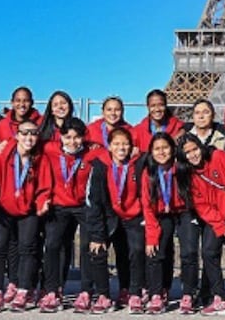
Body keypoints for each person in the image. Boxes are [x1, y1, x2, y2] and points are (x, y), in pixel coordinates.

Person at [176, 133, 225, 318]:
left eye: (195, 149)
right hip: (218, 216)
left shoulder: (219, 157)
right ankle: (220, 296)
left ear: (201, 146)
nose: (193, 155)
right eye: (187, 152)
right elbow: (202, 206)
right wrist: (221, 228)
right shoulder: (188, 174)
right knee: (209, 251)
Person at [0, 119, 44, 311]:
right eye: (24, 133)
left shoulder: (40, 158)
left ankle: (23, 290)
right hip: (3, 207)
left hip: (28, 209)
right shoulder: (3, 156)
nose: (29, 137)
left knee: (27, 248)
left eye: (33, 133)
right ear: (16, 135)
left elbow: (44, 187)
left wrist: (42, 203)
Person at [38, 118, 99, 312]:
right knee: (54, 245)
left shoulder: (93, 152)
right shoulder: (50, 149)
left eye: (77, 137)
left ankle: (86, 291)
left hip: (83, 206)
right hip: (59, 205)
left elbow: (116, 149)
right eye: (68, 137)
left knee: (87, 246)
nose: (72, 142)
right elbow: (25, 142)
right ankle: (52, 290)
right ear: (61, 137)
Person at [86, 126, 148, 313]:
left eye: (125, 144)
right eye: (117, 144)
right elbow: (94, 201)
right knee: (98, 249)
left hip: (133, 215)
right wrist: (97, 235)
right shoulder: (99, 166)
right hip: (109, 216)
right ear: (109, 146)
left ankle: (134, 292)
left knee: (136, 250)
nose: (121, 148)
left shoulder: (139, 163)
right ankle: (103, 295)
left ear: (131, 147)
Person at [141, 133, 195, 314]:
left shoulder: (181, 168)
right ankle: (157, 293)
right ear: (151, 152)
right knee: (156, 251)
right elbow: (147, 207)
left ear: (172, 149)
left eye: (165, 147)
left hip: (184, 211)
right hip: (161, 214)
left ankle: (188, 293)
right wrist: (151, 237)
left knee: (188, 252)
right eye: (157, 149)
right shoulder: (148, 173)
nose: (161, 152)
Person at [133, 89, 185, 154]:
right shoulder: (137, 132)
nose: (157, 109)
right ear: (147, 107)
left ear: (166, 105)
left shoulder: (179, 129)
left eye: (161, 105)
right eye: (153, 105)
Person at [38, 90, 76, 154]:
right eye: (55, 105)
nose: (60, 107)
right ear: (51, 110)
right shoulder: (42, 129)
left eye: (63, 103)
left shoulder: (79, 128)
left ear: (70, 105)